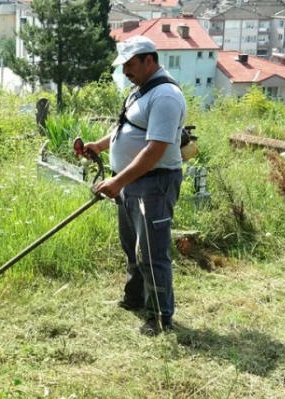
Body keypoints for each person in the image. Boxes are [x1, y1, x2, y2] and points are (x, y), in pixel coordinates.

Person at [82, 35, 186, 336]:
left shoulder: (165, 96)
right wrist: (99, 146)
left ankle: (159, 316)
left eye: (130, 64)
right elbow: (125, 126)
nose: (125, 71)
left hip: (153, 183)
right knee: (132, 247)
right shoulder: (140, 90)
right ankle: (136, 298)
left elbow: (155, 150)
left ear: (149, 60)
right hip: (130, 182)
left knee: (152, 252)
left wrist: (118, 180)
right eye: (123, 65)